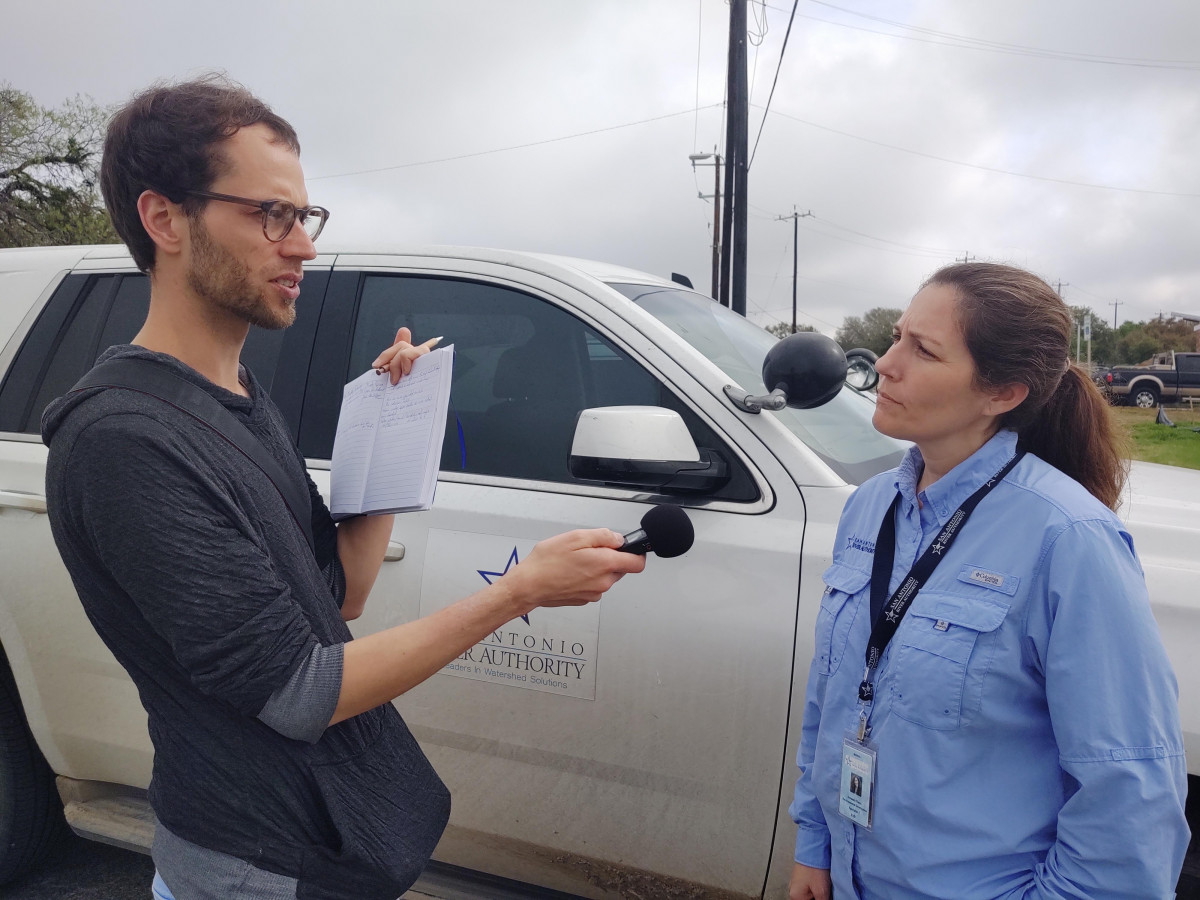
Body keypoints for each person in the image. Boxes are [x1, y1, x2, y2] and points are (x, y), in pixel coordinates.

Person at [41, 75, 645, 900]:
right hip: (256, 865)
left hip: (320, 844)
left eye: (304, 217)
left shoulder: (240, 398)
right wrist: (520, 590)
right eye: (270, 214)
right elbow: (300, 691)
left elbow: (345, 594)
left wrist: (389, 424)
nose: (303, 247)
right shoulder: (125, 439)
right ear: (164, 218)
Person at [788, 263, 1189, 900]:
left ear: (1003, 393)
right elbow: (833, 695)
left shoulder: (1069, 538)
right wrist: (815, 842)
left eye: (923, 350)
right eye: (896, 336)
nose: (885, 364)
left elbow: (1128, 791)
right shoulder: (870, 507)